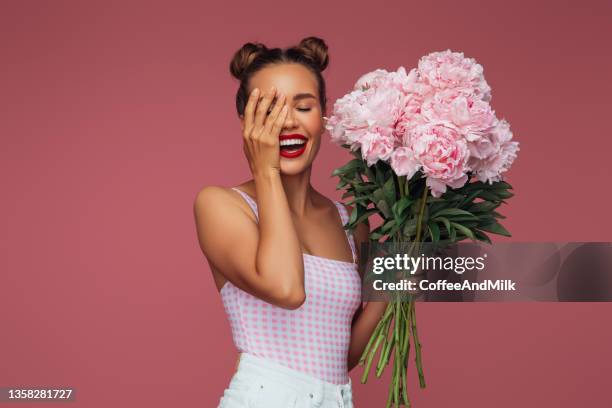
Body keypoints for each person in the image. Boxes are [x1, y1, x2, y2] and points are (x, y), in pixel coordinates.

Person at [194, 36, 387, 408]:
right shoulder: (222, 205)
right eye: (268, 110)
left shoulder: (350, 221)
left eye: (303, 107)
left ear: (324, 114)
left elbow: (340, 356)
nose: (286, 123)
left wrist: (394, 276)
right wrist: (264, 170)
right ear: (244, 123)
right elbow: (287, 290)